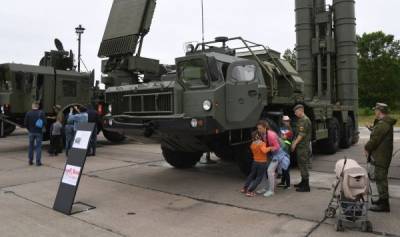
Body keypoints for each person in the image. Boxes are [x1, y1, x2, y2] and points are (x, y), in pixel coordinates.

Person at [365, 103, 397, 212]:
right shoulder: (384, 124)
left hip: (381, 156)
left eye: (376, 110)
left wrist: (366, 147)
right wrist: (373, 129)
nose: (375, 112)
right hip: (382, 155)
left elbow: (374, 140)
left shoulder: (383, 124)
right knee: (380, 178)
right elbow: (378, 135)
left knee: (381, 178)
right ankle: (382, 200)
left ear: (380, 111)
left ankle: (384, 205)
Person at [240, 130, 272, 197]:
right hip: (262, 163)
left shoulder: (252, 144)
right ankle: (250, 191)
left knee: (251, 175)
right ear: (259, 136)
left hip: (255, 162)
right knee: (259, 178)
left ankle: (245, 188)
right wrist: (270, 147)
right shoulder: (262, 144)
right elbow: (264, 151)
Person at [291, 104, 312, 192]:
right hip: (301, 146)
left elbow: (301, 135)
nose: (295, 114)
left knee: (303, 165)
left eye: (296, 112)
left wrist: (294, 144)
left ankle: (306, 186)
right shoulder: (301, 120)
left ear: (301, 110)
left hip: (303, 146)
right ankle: (303, 182)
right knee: (301, 164)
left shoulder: (305, 120)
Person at [24, 102, 46, 166]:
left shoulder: (28, 113)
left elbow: (25, 123)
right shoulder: (41, 113)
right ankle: (38, 161)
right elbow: (45, 122)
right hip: (39, 132)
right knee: (38, 147)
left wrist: (29, 129)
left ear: (32, 106)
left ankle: (30, 160)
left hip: (31, 132)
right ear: (38, 106)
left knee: (31, 146)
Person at [277, 115, 293, 189]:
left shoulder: (290, 129)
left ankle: (288, 184)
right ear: (283, 121)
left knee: (286, 167)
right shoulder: (281, 128)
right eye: (286, 121)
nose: (287, 122)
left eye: (288, 121)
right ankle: (283, 182)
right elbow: (280, 137)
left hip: (286, 150)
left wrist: (282, 137)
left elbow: (284, 137)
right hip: (282, 150)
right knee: (283, 167)